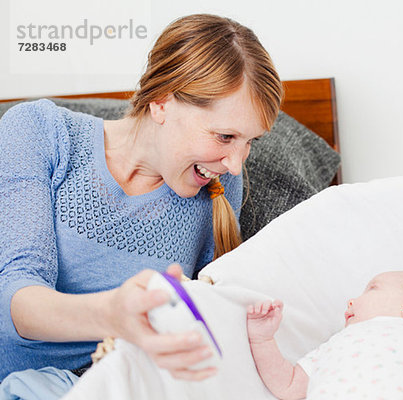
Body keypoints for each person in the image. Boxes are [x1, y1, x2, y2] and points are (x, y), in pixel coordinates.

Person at [0, 12, 283, 393]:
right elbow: (14, 298)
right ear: (161, 103)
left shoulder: (219, 184)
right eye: (225, 136)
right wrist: (112, 314)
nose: (235, 163)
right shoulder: (40, 132)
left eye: (251, 142)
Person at [246, 267, 403, 400]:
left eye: (371, 289)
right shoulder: (336, 343)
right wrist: (263, 338)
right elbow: (289, 385)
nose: (351, 301)